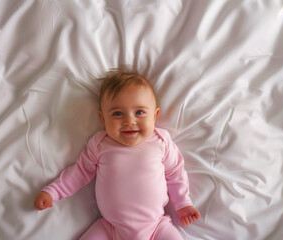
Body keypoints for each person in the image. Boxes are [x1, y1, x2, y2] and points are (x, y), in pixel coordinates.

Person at [34, 66, 200, 239]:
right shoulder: (100, 144)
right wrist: (53, 191)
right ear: (103, 119)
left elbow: (175, 173)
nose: (129, 121)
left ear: (155, 115)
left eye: (140, 112)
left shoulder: (161, 141)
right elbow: (79, 172)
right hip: (110, 228)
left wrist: (183, 204)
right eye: (118, 113)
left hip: (156, 227)